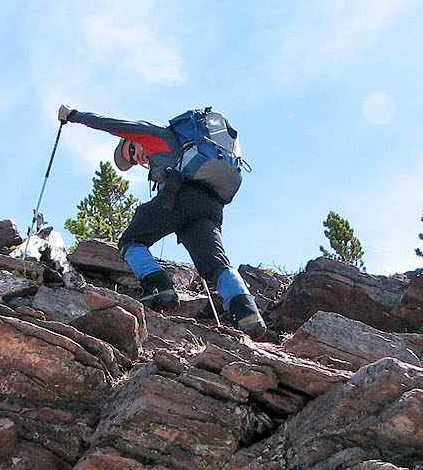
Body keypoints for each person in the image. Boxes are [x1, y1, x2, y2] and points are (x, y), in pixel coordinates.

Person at [57, 104, 271, 341]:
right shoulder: (181, 155)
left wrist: (74, 116)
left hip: (182, 195)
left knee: (131, 240)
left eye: (131, 149)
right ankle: (247, 313)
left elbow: (111, 124)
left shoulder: (158, 135)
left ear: (134, 138)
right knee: (214, 264)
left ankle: (159, 287)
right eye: (132, 160)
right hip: (210, 205)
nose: (135, 157)